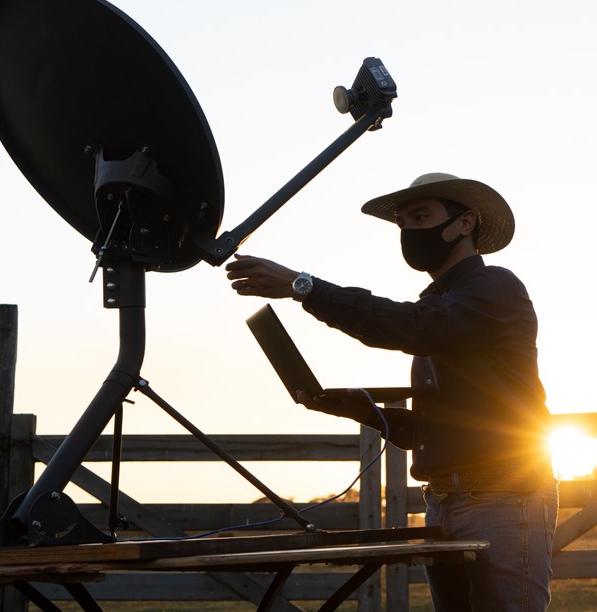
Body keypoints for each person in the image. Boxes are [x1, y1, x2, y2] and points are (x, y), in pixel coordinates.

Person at [226, 172, 557, 611]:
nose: (408, 231)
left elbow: (414, 327)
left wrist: (302, 286)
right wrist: (356, 409)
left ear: (465, 223)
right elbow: (440, 427)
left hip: (503, 498)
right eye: (401, 222)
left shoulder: (495, 288)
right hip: (444, 501)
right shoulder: (442, 306)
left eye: (420, 216)